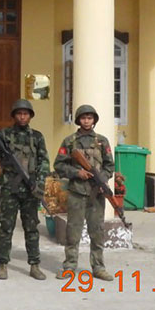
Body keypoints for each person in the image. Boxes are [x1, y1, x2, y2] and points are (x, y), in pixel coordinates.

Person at [0, 98, 49, 280]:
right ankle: (3, 263)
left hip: (30, 188)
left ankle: (35, 264)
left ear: (30, 116)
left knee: (31, 227)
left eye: (25, 114)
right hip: (9, 187)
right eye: (19, 114)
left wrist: (40, 183)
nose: (22, 117)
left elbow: (44, 161)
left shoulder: (37, 137)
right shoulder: (4, 135)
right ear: (14, 116)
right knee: (6, 226)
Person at [53, 104, 114, 281]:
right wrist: (76, 173)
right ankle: (70, 266)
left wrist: (101, 179)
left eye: (90, 118)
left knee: (97, 231)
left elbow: (109, 165)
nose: (87, 121)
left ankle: (98, 267)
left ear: (94, 120)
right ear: (78, 120)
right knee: (73, 231)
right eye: (83, 118)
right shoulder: (70, 141)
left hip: (97, 194)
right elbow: (59, 165)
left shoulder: (102, 141)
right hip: (77, 192)